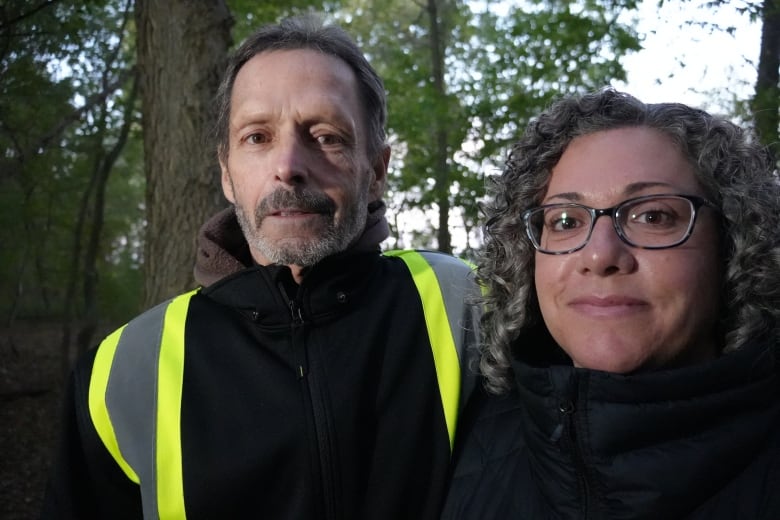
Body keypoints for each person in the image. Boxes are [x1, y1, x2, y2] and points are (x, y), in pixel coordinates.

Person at [41, 15, 481, 519]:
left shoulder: (467, 306)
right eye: (257, 137)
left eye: (327, 136)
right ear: (226, 174)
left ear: (376, 170)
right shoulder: (119, 372)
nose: (289, 164)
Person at [441, 88, 780, 519]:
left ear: (732, 244)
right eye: (565, 221)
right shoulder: (469, 439)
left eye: (653, 216)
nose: (600, 256)